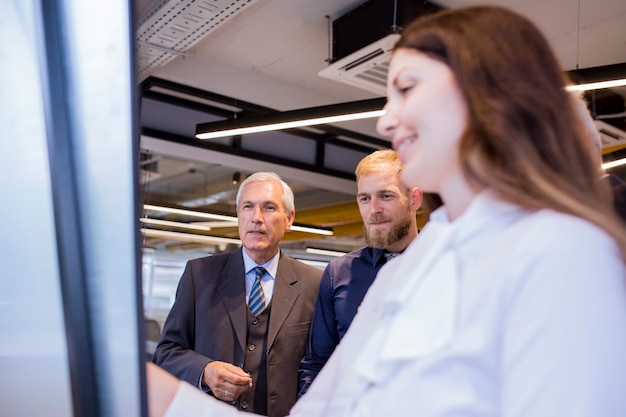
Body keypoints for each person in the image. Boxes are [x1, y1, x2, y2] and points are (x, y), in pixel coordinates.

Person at [147, 6, 626, 417]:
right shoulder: (413, 265)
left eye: (408, 88)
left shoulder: (561, 252)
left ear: (488, 96)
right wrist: (169, 399)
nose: (385, 119)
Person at [152, 172, 322, 417]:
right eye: (248, 207)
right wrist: (205, 370)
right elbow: (166, 351)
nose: (257, 218)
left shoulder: (313, 284)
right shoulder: (198, 275)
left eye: (269, 208)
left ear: (289, 218)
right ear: (238, 215)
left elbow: (320, 364)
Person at [298, 149, 422, 396]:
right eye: (364, 198)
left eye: (386, 196)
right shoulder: (339, 273)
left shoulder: (444, 265)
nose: (373, 209)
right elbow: (318, 363)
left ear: (414, 199)